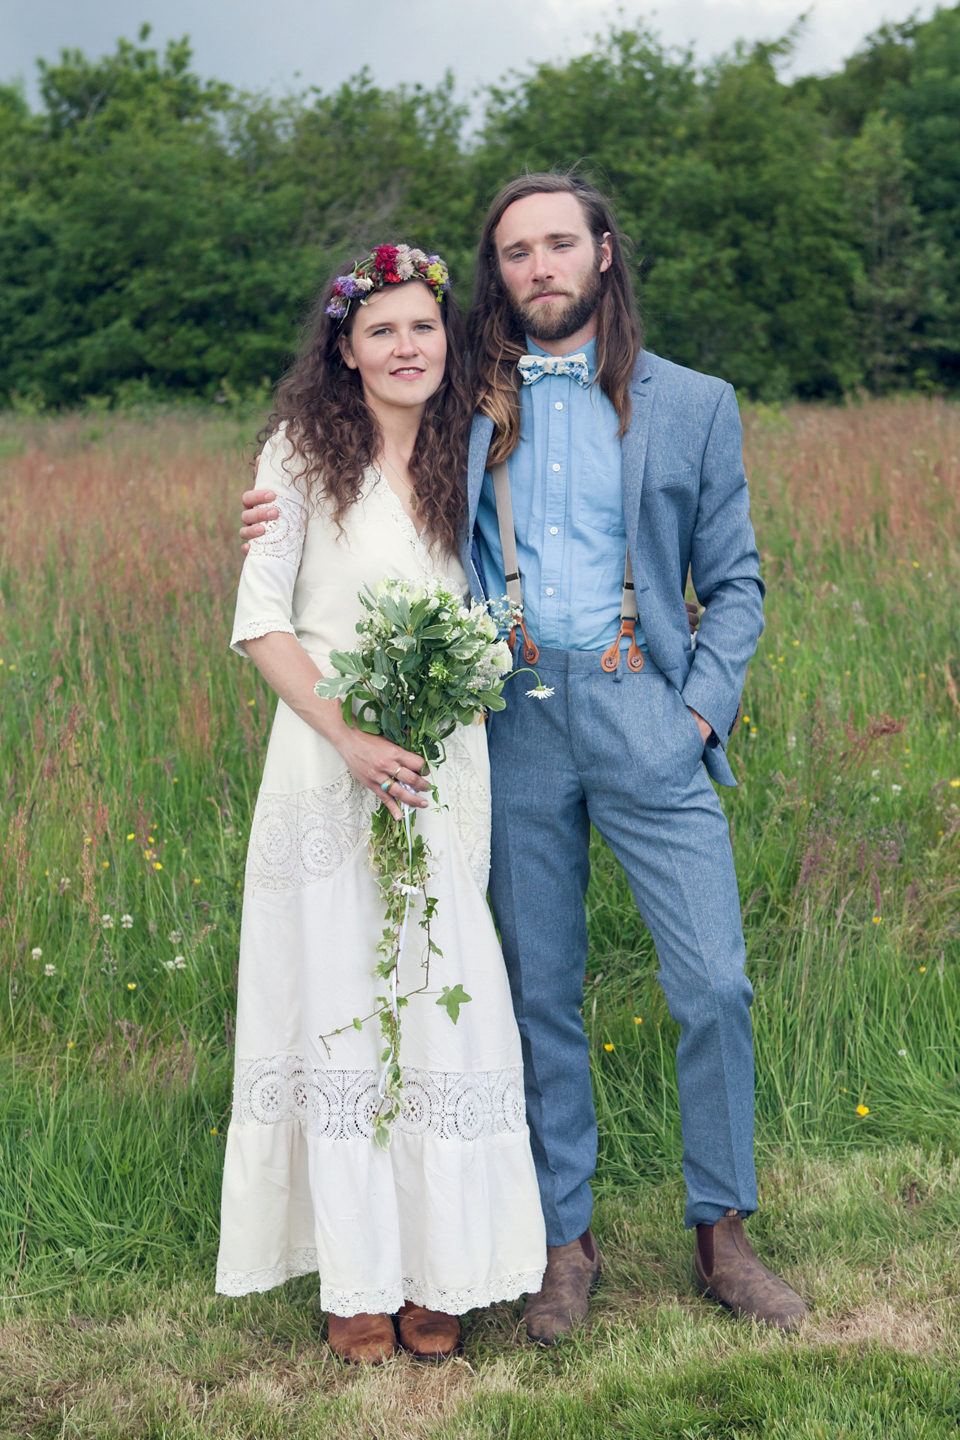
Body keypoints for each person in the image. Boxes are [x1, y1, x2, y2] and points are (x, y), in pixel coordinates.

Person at [241, 175, 809, 1342]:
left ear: (603, 254)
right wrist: (261, 512)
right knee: (535, 992)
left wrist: (700, 714)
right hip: (512, 729)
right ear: (495, 275)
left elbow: (736, 580)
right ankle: (565, 1244)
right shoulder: (471, 401)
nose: (538, 266)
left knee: (714, 982)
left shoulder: (696, 404)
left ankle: (725, 1236)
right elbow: (346, 468)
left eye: (560, 244)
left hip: (647, 710)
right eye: (514, 252)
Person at [218, 243, 546, 1365]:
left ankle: (440, 1266)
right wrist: (351, 737)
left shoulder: (473, 453)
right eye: (382, 331)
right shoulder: (301, 458)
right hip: (331, 760)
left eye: (424, 327)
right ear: (345, 353)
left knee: (441, 995)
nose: (407, 348)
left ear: (445, 341)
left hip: (445, 762)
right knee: (341, 999)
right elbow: (263, 624)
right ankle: (356, 1279)